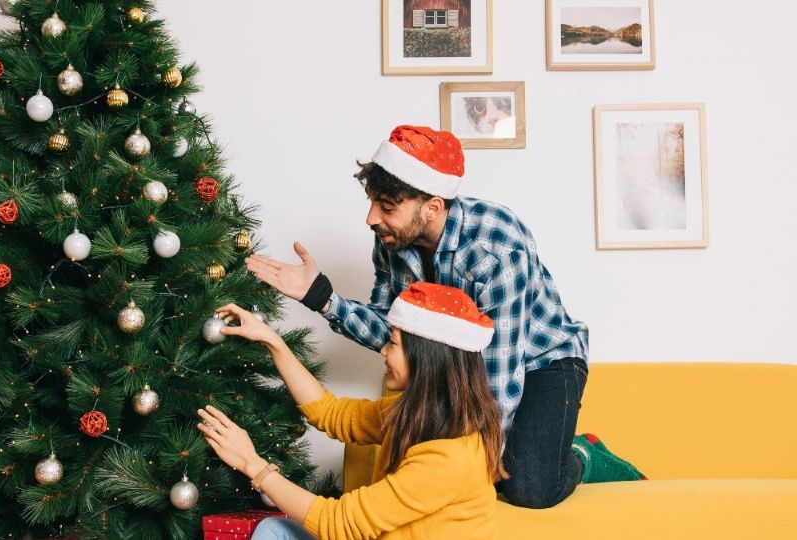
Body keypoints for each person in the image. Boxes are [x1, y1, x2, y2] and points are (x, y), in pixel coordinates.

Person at [245, 125, 644, 509]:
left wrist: (474, 466)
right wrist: (323, 298)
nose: (371, 218)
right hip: (465, 367)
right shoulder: (391, 241)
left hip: (543, 359)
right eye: (371, 203)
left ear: (433, 207)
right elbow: (393, 332)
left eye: (386, 207)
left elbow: (500, 377)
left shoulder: (496, 245)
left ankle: (584, 453)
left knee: (528, 488)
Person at [197, 282, 505, 539]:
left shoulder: (450, 458)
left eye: (393, 344)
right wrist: (272, 341)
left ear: (426, 360)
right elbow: (331, 413)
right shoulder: (416, 413)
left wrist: (252, 464)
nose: (384, 351)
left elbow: (339, 522)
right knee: (273, 531)